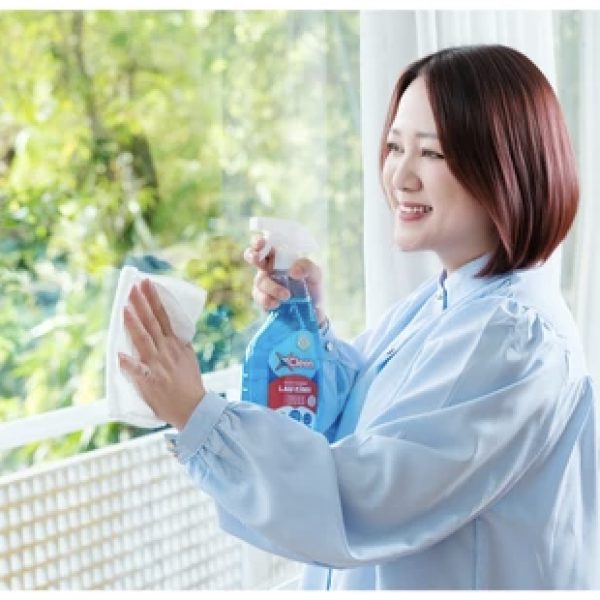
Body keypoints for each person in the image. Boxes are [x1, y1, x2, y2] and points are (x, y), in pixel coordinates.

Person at [118, 44, 598, 589]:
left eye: (432, 153)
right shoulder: (445, 302)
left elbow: (360, 499)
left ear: (507, 166)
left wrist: (196, 413)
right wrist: (307, 329)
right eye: (394, 146)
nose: (401, 176)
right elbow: (354, 417)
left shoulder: (512, 337)